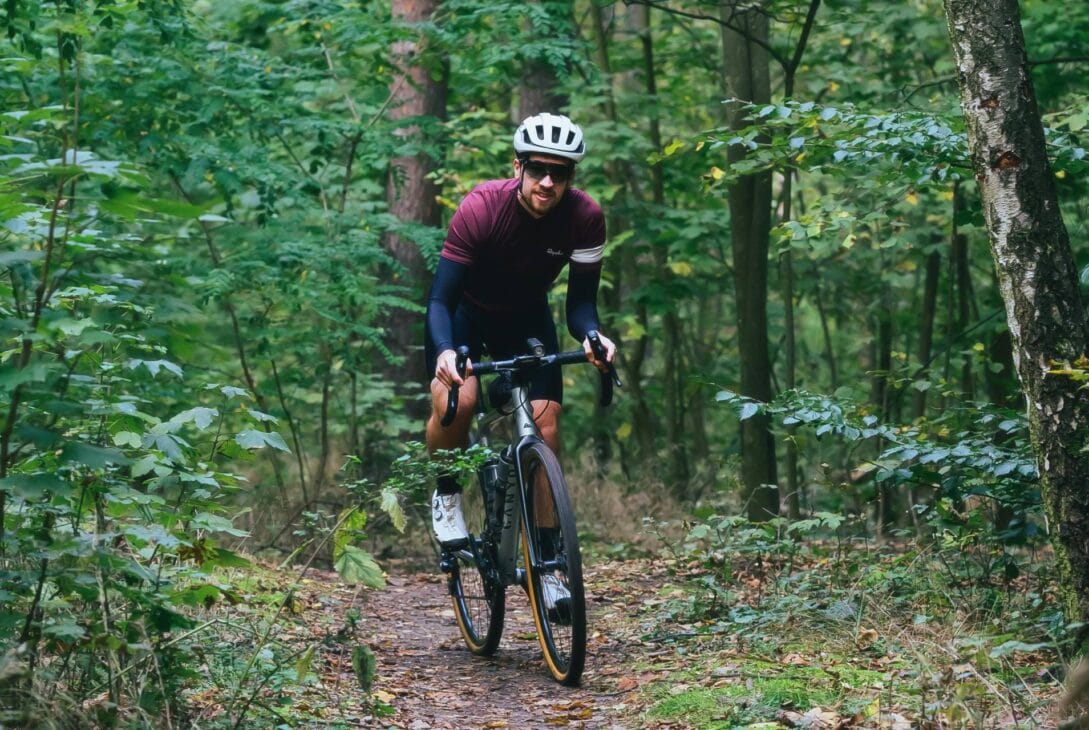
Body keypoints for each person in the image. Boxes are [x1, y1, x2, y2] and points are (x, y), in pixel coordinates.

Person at [423, 112, 617, 568]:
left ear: (571, 177)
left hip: (526, 319)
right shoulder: (482, 207)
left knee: (546, 430)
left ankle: (549, 562)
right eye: (537, 169)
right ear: (517, 168)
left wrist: (593, 336)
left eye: (560, 172)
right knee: (461, 401)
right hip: (463, 316)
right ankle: (447, 493)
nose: (547, 182)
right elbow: (439, 299)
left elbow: (581, 306)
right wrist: (447, 351)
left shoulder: (585, 218)